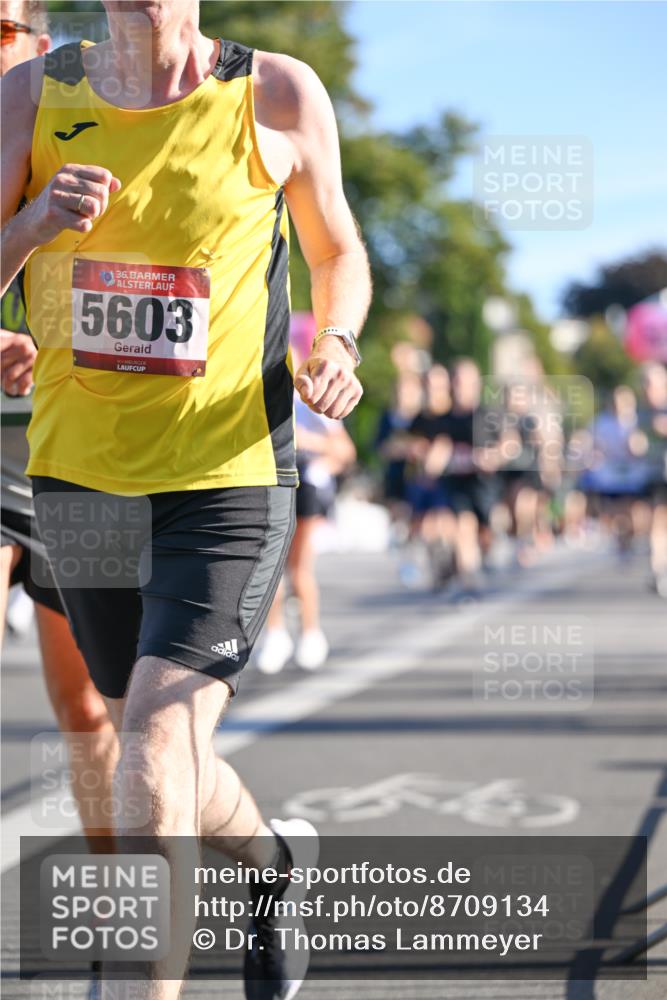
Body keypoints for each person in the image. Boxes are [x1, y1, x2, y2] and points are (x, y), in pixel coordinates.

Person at [1, 2, 370, 998]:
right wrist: (33, 223)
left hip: (229, 475)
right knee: (147, 752)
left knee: (157, 745)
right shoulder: (32, 94)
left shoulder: (277, 91)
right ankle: (276, 870)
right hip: (80, 480)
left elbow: (336, 251)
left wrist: (335, 343)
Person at [0, 0, 116, 849]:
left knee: (87, 708)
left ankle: (124, 904)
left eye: (0, 31)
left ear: (35, 43)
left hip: (75, 442)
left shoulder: (78, 118)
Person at [258, 314, 356, 674]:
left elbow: (344, 451)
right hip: (271, 483)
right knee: (269, 568)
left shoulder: (310, 395)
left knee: (298, 567)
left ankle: (312, 633)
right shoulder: (263, 391)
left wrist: (301, 442)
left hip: (307, 486)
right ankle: (275, 635)